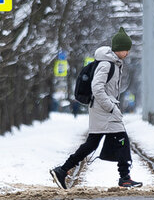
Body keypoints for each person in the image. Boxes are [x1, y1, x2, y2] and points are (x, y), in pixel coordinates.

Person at [50, 28, 142, 189]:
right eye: (125, 49)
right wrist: (111, 107)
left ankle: (62, 170)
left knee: (92, 144)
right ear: (118, 49)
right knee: (122, 140)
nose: (127, 52)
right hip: (104, 109)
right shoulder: (106, 65)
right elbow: (97, 88)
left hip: (102, 109)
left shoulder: (113, 64)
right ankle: (125, 177)